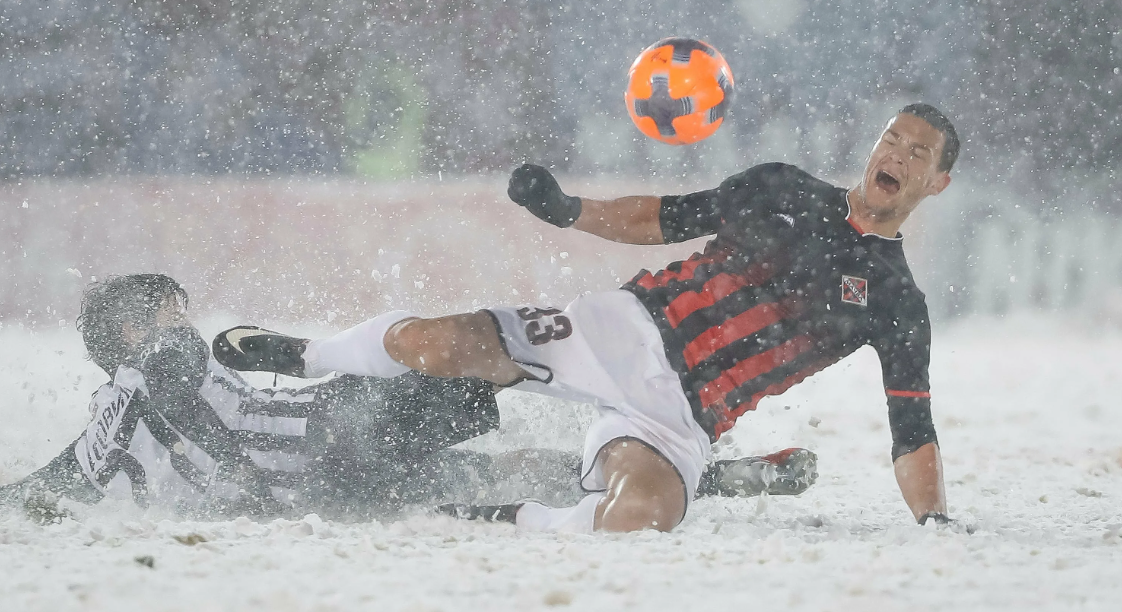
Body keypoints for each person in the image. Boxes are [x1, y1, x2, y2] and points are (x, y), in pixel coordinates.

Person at [214, 103, 955, 534]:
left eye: (917, 152)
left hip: (682, 418)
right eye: (892, 138)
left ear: (937, 182)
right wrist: (568, 211)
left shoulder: (896, 302)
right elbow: (663, 219)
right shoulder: (781, 187)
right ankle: (308, 354)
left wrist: (935, 524)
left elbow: (912, 432)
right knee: (431, 345)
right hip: (619, 327)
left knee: (640, 518)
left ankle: (517, 517)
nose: (896, 153)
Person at [2, 275, 814, 521]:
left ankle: (697, 478)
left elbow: (52, 486)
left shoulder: (108, 420)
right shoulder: (161, 359)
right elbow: (190, 401)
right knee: (488, 365)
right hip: (330, 431)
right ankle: (687, 458)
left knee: (505, 473)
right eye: (167, 307)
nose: (183, 317)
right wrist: (238, 474)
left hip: (321, 487)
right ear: (138, 327)